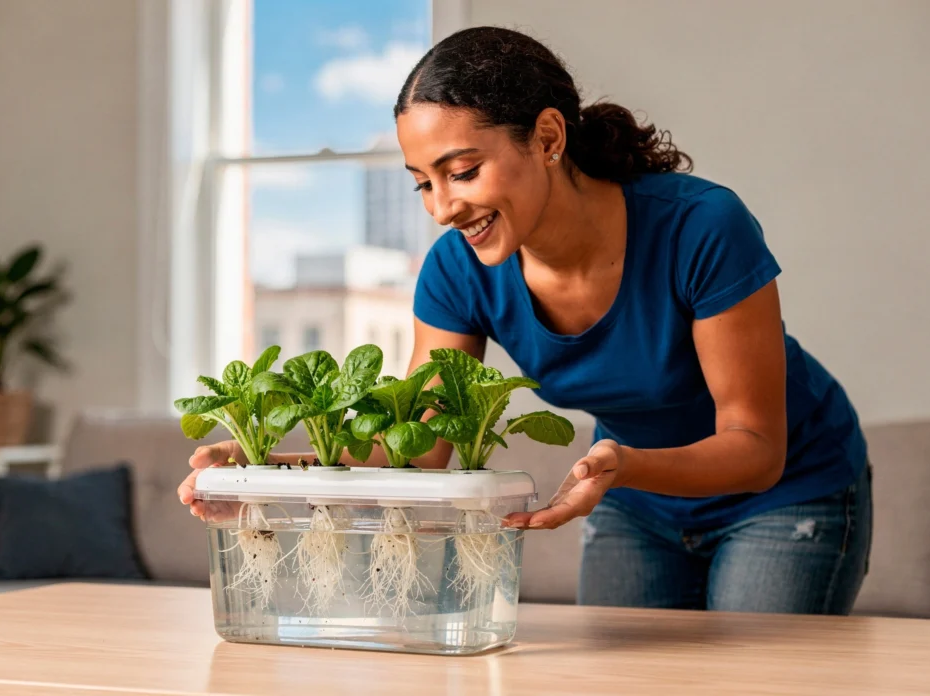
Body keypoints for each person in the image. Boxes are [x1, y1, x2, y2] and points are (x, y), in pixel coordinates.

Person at [179, 26, 872, 615]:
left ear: (546, 137)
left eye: (464, 170)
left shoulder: (701, 227)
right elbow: (422, 449)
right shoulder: (458, 271)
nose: (443, 208)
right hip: (636, 500)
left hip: (785, 494)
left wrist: (625, 465)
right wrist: (265, 470)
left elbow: (755, 445)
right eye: (424, 182)